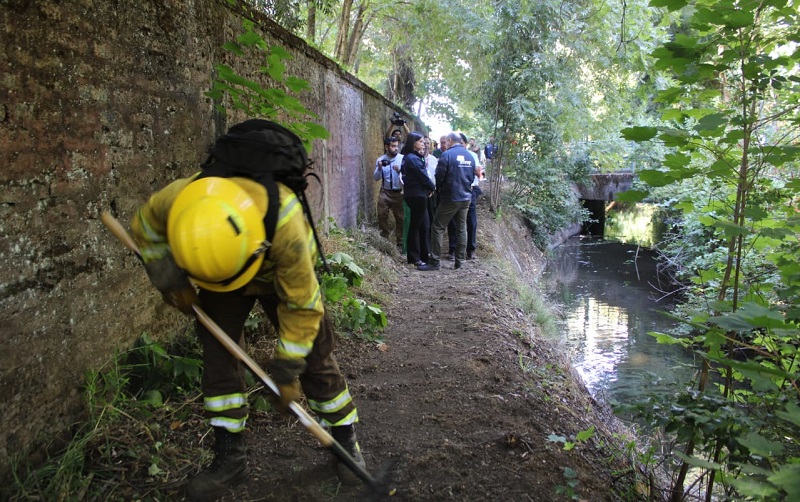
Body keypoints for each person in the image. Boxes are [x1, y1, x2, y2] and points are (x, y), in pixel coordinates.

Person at [131, 125, 365, 499]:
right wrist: (170, 280)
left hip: (276, 274)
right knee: (218, 359)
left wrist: (288, 367)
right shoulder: (181, 198)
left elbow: (302, 305)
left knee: (317, 358)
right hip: (219, 278)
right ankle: (229, 458)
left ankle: (344, 442)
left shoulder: (286, 222)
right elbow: (145, 227)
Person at [418, 132, 480, 271]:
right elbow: (471, 177)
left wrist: (439, 189)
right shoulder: (469, 156)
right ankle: (460, 262)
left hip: (450, 197)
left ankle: (434, 261)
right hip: (466, 197)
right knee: (462, 228)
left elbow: (439, 175)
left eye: (446, 141)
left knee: (437, 227)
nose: (445, 144)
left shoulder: (447, 155)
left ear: (450, 140)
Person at [401, 132, 435, 266]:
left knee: (424, 225)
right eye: (420, 141)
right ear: (413, 143)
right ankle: (414, 257)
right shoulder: (411, 158)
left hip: (419, 194)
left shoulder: (413, 157)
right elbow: (422, 176)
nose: (423, 143)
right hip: (416, 195)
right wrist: (432, 187)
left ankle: (424, 255)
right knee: (416, 225)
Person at [373, 137, 404, 249]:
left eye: (397, 146)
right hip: (385, 192)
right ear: (386, 147)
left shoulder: (402, 159)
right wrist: (380, 168)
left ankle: (400, 241)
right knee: (381, 215)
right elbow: (376, 178)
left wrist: (400, 170)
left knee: (400, 218)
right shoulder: (380, 159)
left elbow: (407, 175)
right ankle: (384, 239)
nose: (396, 148)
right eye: (393, 146)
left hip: (399, 192)